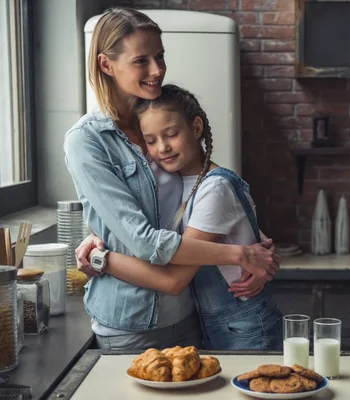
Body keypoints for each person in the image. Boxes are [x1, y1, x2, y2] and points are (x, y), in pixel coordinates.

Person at [63, 7, 278, 351]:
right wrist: (239, 254)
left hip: (189, 313)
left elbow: (205, 184)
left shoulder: (155, 122)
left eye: (160, 57)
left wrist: (257, 240)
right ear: (106, 65)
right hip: (132, 322)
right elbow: (144, 240)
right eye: (142, 61)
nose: (157, 70)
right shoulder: (87, 140)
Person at [82, 84, 283, 350]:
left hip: (244, 326)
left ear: (196, 128)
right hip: (215, 321)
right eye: (151, 140)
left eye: (172, 134)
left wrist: (101, 260)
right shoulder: (178, 180)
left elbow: (173, 281)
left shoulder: (214, 187)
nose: (162, 147)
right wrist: (97, 236)